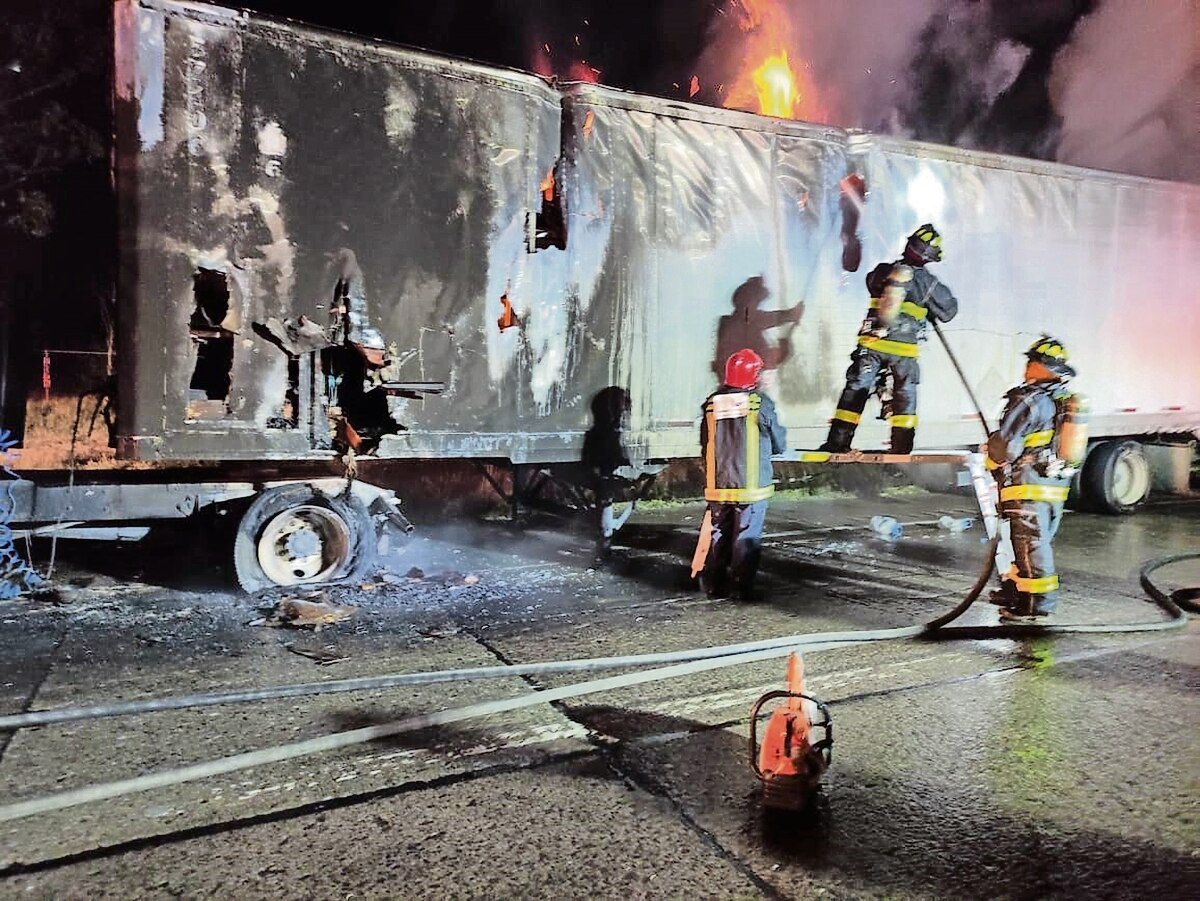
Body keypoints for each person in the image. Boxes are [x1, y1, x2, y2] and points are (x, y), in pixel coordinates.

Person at [821, 224, 958, 454]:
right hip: (903, 352)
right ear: (930, 257)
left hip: (871, 346)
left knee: (856, 392)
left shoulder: (882, 272)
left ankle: (837, 443)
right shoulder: (928, 284)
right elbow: (949, 311)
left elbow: (870, 281)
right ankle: (901, 449)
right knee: (905, 397)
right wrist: (927, 305)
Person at [986, 336, 1088, 620]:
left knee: (1030, 544)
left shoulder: (1028, 399)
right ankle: (1018, 591)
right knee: (1029, 543)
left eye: (1031, 361)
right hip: (1053, 488)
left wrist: (990, 461)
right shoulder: (1061, 400)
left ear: (1041, 366)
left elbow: (1005, 445)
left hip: (1028, 485)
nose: (1027, 366)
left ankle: (1037, 603)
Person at [695, 348, 788, 601]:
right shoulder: (759, 402)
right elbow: (779, 441)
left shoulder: (711, 404)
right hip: (750, 486)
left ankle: (712, 584)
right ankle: (739, 588)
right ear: (753, 376)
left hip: (719, 484)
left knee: (719, 533)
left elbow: (705, 441)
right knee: (745, 536)